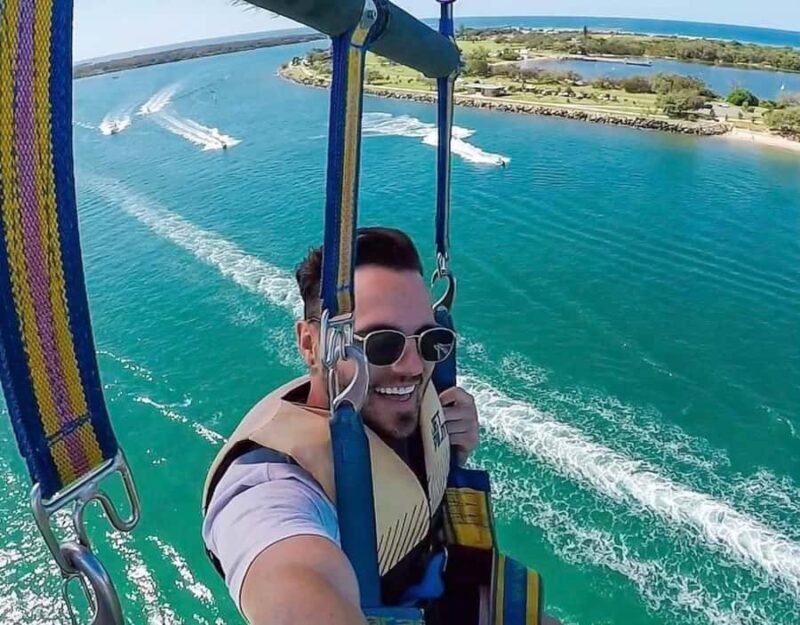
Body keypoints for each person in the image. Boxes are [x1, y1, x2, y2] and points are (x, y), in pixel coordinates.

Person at [202, 227, 480, 625]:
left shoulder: (408, 398)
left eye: (427, 339)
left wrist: (452, 443)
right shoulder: (271, 484)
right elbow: (285, 575)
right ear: (311, 345)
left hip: (449, 587)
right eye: (382, 344)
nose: (414, 366)